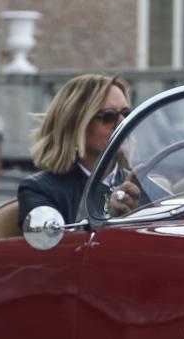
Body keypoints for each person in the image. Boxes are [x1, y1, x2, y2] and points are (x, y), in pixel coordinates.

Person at [16, 74, 140, 225]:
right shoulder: (40, 190)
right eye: (109, 116)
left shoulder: (141, 185)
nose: (123, 123)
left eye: (127, 114)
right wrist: (107, 215)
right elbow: (56, 246)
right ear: (75, 125)